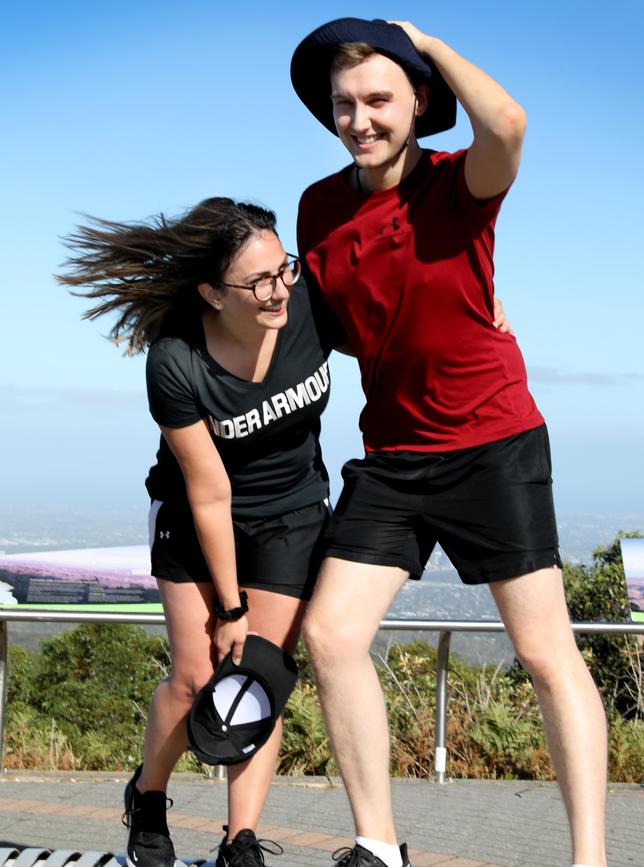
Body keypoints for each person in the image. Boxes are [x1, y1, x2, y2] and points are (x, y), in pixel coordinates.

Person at [291, 17, 608, 867]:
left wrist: (421, 39)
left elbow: (506, 123)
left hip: (491, 442)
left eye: (380, 99)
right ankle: (378, 843)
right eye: (344, 103)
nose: (359, 118)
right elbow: (351, 324)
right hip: (393, 455)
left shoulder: (455, 182)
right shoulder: (318, 207)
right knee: (330, 636)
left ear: (419, 101)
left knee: (545, 653)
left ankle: (591, 859)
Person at [57, 197, 335, 867]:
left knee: (259, 679)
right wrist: (231, 608)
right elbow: (209, 491)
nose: (280, 290)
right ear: (211, 292)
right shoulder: (176, 361)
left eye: (284, 270)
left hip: (292, 513)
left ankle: (240, 840)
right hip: (196, 515)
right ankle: (148, 797)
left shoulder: (309, 305)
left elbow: (397, 322)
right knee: (193, 677)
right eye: (258, 281)